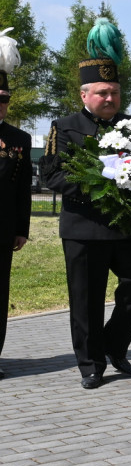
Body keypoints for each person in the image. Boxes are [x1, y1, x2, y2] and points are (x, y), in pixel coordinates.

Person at [38, 18, 131, 390]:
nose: (109, 99)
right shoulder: (64, 127)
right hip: (84, 228)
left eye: (114, 92)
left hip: (127, 228)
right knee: (85, 301)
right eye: (101, 92)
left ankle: (114, 347)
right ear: (84, 95)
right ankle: (90, 363)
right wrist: (100, 181)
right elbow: (52, 177)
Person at [0, 31, 30, 380]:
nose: (1, 104)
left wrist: (22, 228)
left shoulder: (19, 140)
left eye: (4, 99)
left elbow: (23, 189)